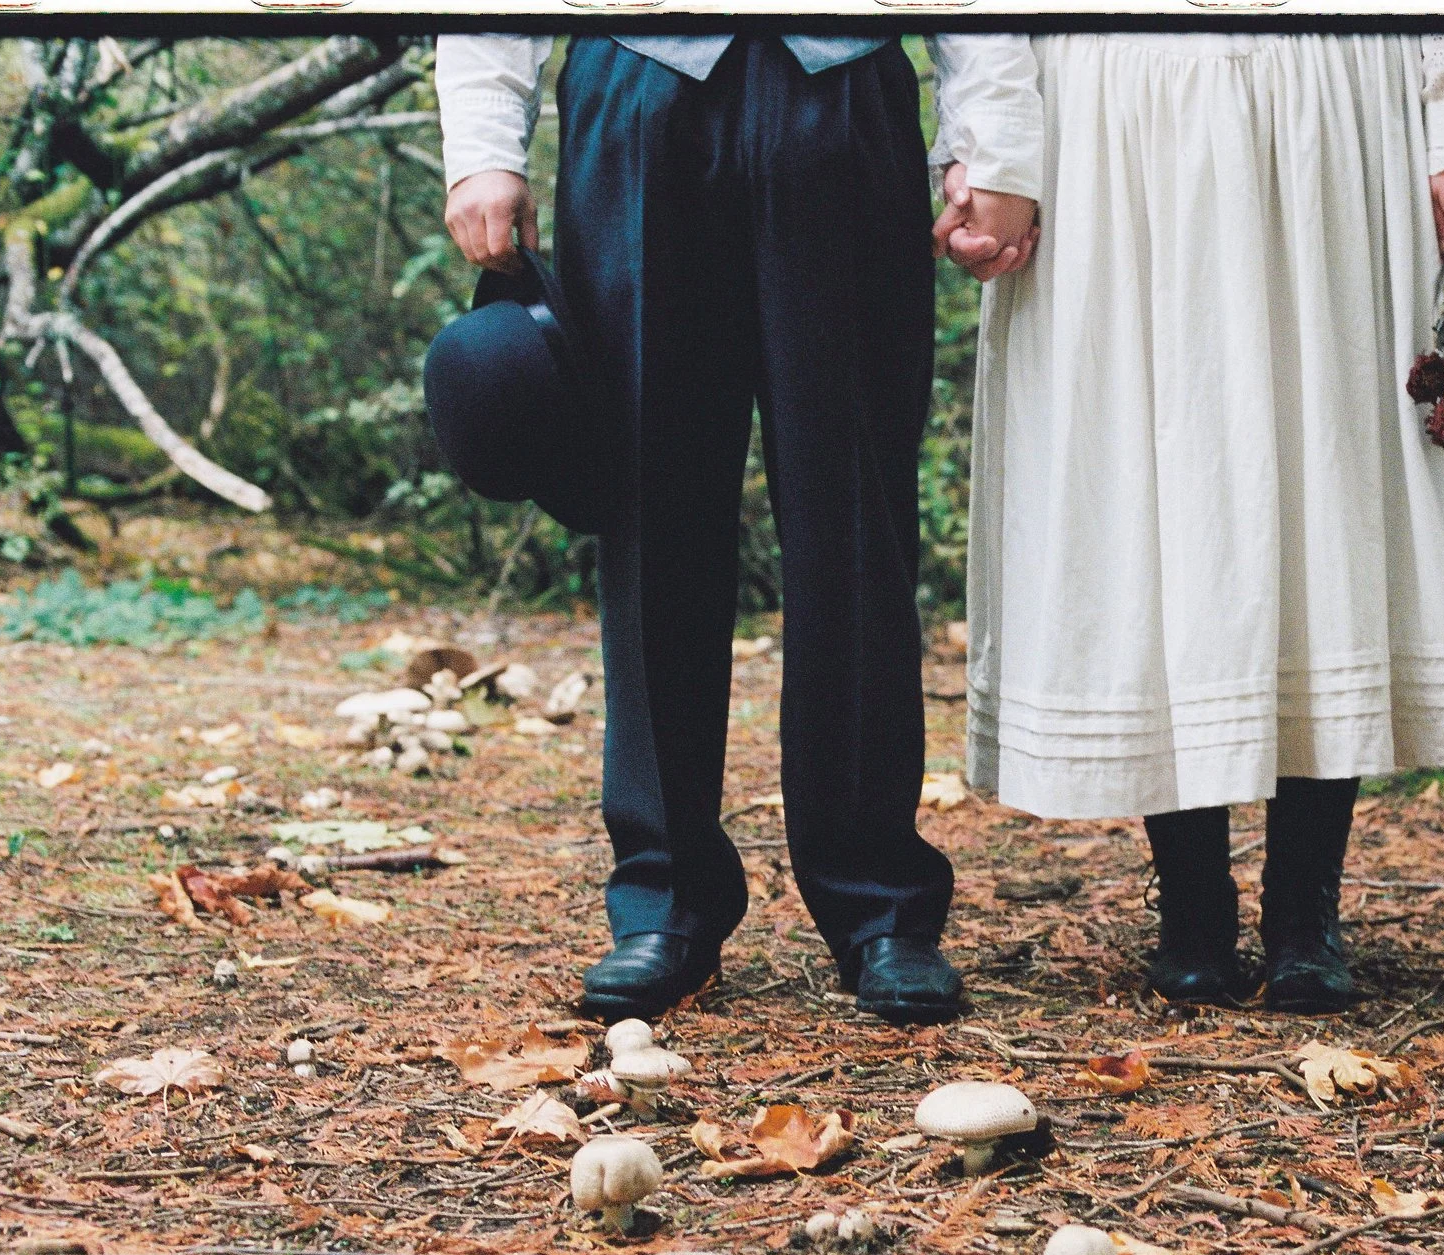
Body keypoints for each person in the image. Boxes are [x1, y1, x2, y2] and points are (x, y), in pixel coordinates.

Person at [436, 32, 1040, 1024]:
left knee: (855, 510)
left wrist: (993, 144)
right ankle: (662, 897)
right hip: (638, 84)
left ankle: (879, 902)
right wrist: (485, 145)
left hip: (841, 90)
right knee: (647, 508)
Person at [930, 34, 1444, 1012]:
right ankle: (1194, 911)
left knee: (1327, 489)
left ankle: (1304, 912)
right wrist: (993, 151)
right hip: (1113, 106)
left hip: (1332, 98)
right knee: (1154, 488)